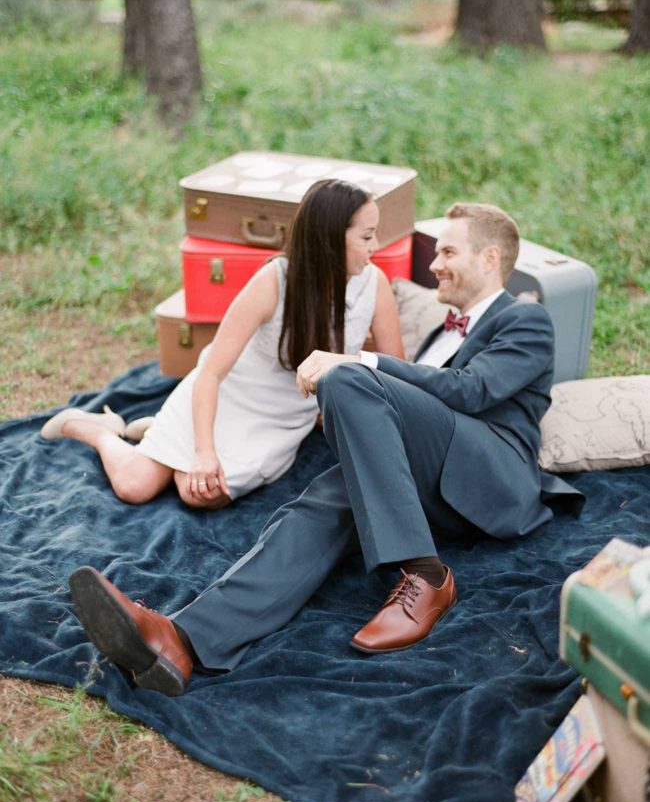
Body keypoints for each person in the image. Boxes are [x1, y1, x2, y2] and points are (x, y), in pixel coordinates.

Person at [69, 201, 584, 696]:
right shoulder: (437, 337)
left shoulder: (525, 319)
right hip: (431, 491)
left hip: (495, 481)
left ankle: (426, 574)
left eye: (448, 252)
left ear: (490, 258)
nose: (434, 264)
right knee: (320, 505)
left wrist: (360, 363)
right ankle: (182, 640)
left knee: (348, 378)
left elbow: (472, 391)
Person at [41, 179, 404, 508]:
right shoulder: (274, 280)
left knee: (199, 494)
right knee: (135, 487)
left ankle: (156, 432)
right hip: (229, 394)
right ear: (329, 237)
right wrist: (203, 451)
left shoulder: (375, 286)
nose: (375, 245)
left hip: (278, 419)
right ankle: (97, 430)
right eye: (366, 235)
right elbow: (212, 371)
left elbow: (391, 372)